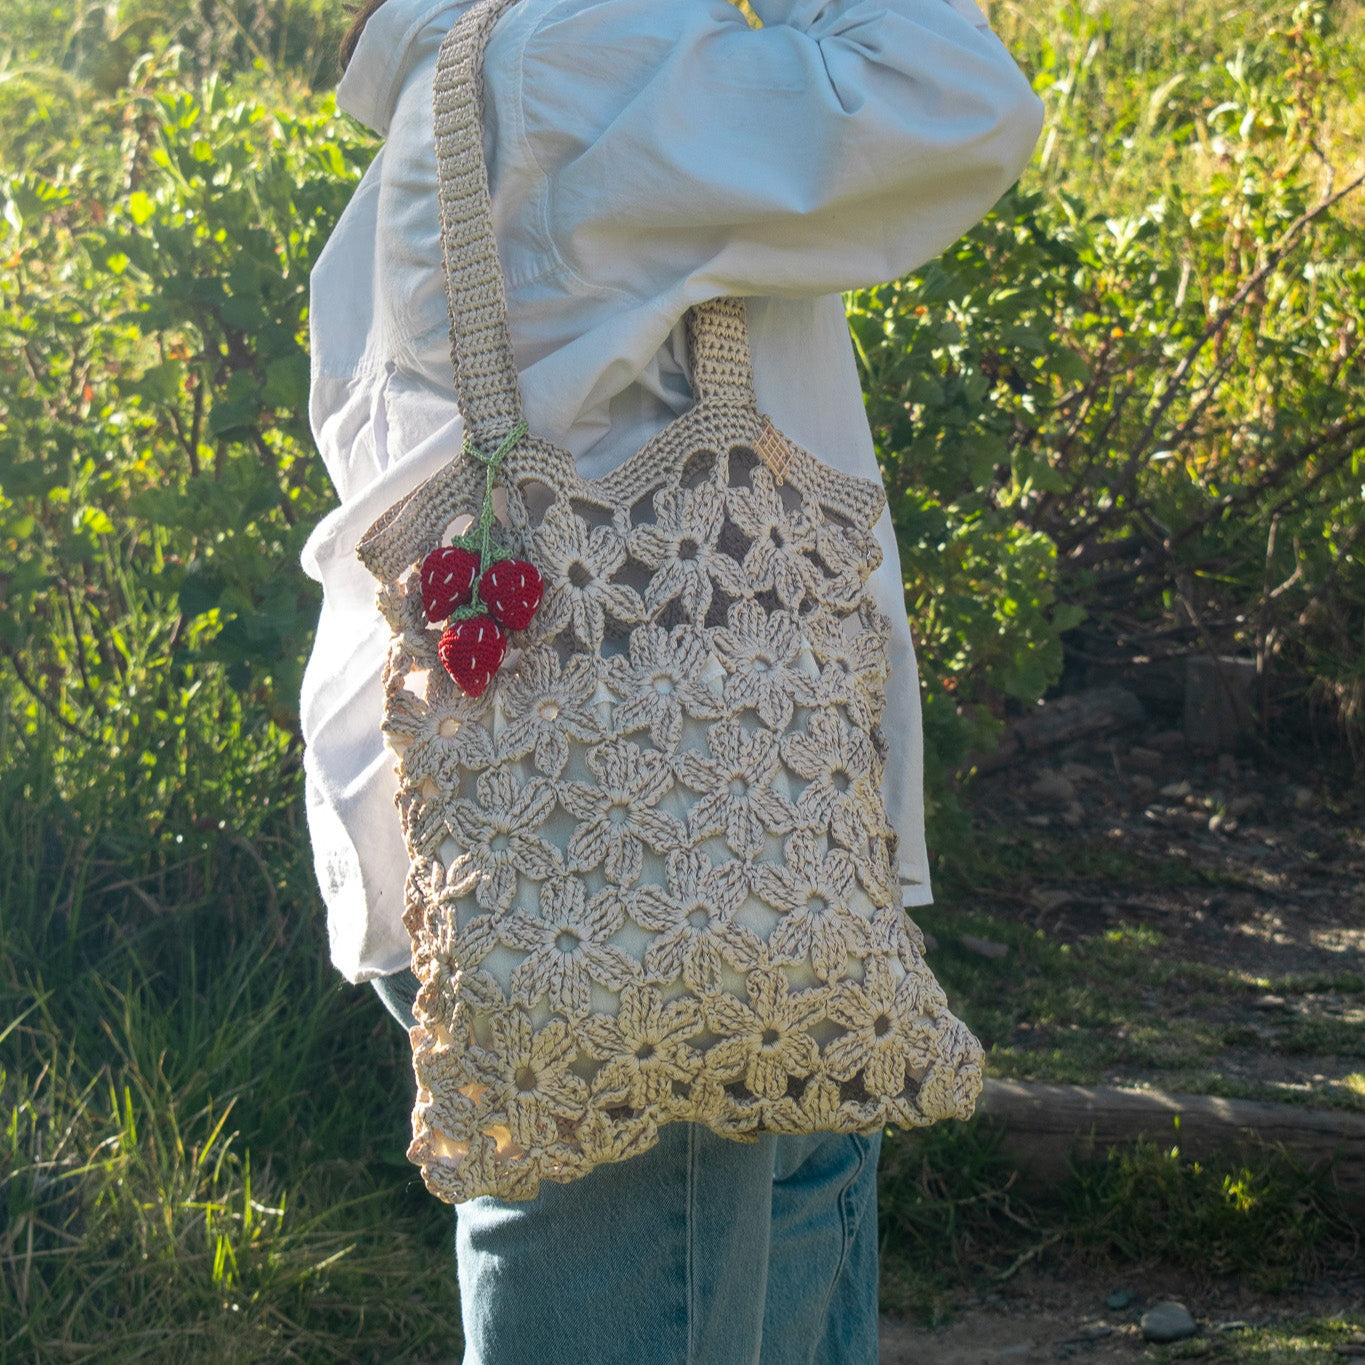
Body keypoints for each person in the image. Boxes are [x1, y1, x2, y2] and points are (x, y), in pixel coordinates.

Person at [300, 0, 1043, 1359]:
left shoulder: (518, 56)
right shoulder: (595, 54)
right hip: (658, 841)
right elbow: (957, 99)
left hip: (685, 826)